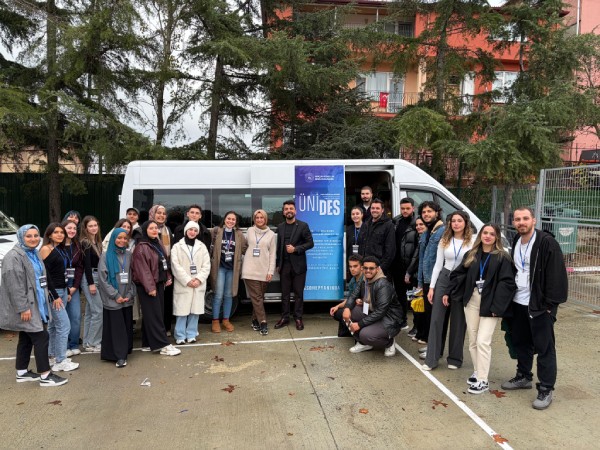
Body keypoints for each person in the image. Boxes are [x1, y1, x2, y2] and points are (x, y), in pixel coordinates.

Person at [501, 207, 568, 410]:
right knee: (522, 342)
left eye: (525, 218)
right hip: (518, 302)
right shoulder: (516, 240)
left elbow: (557, 275)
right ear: (513, 222)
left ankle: (546, 388)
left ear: (534, 220)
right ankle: (523, 376)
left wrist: (549, 305)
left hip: (539, 305)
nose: (521, 222)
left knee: (545, 348)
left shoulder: (547, 242)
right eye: (517, 219)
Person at [444, 223, 517, 394]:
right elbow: (458, 274)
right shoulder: (472, 254)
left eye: (492, 234)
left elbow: (507, 283)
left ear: (496, 237)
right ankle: (478, 372)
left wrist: (497, 306)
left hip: (491, 303)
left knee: (483, 341)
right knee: (473, 340)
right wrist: (451, 292)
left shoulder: (502, 257)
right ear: (480, 235)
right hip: (472, 301)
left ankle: (483, 381)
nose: (488, 236)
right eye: (485, 233)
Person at [0, 225, 68, 386]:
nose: (33, 239)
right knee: (41, 336)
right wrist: (23, 308)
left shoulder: (33, 253)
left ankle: (22, 372)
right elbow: (14, 286)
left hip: (38, 303)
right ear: (21, 237)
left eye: (36, 235)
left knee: (26, 337)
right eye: (28, 236)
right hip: (27, 306)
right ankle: (45, 375)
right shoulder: (13, 257)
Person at [422, 211, 474, 371]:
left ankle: (455, 359)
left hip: (461, 280)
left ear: (465, 223)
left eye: (459, 220)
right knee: (436, 319)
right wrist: (432, 287)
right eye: (453, 221)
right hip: (444, 277)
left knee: (458, 320)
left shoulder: (472, 241)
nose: (456, 223)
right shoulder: (445, 239)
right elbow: (438, 265)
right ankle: (432, 359)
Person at [131, 221, 181, 356]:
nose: (154, 230)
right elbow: (143, 271)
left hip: (158, 283)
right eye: (151, 228)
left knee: (152, 315)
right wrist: (150, 288)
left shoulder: (156, 243)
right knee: (155, 316)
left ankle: (147, 343)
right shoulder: (141, 247)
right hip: (148, 287)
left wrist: (167, 276)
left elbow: (163, 262)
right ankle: (162, 345)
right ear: (144, 230)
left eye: (156, 228)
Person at [342, 256, 403, 357]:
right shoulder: (364, 280)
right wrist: (347, 308)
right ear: (362, 268)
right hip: (373, 312)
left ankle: (389, 342)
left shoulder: (383, 284)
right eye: (365, 268)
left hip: (389, 319)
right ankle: (364, 343)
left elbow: (381, 311)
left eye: (371, 268)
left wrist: (360, 324)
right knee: (349, 312)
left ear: (377, 269)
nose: (368, 271)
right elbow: (353, 295)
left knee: (366, 335)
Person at [40, 223, 79, 372]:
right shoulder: (46, 249)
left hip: (63, 290)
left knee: (54, 326)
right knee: (64, 326)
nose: (60, 235)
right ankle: (60, 360)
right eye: (56, 232)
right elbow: (46, 275)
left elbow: (63, 271)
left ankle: (52, 356)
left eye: (61, 232)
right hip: (54, 292)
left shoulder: (61, 249)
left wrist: (67, 290)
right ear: (49, 234)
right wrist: (54, 296)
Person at [98, 228, 136, 368]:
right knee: (116, 328)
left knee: (126, 326)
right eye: (119, 238)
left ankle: (124, 350)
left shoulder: (129, 254)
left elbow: (133, 276)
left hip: (127, 297)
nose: (122, 240)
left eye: (125, 238)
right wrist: (115, 295)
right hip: (113, 298)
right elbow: (103, 279)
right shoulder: (105, 256)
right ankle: (120, 356)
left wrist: (130, 294)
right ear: (113, 238)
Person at [275, 200, 314, 331]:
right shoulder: (280, 227)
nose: (289, 211)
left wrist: (296, 249)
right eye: (286, 209)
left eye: (291, 208)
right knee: (285, 294)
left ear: (295, 211)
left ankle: (298, 318)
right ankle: (285, 318)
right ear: (283, 212)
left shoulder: (303, 226)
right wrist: (278, 263)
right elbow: (279, 247)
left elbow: (310, 243)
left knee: (298, 294)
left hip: (299, 266)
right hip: (284, 266)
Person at [171, 221, 211, 344]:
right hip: (183, 284)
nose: (192, 232)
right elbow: (175, 265)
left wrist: (198, 279)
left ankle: (191, 334)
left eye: (195, 230)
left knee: (195, 311)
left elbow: (206, 265)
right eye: (190, 230)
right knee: (182, 311)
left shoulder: (202, 246)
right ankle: (180, 335)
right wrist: (187, 280)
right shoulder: (177, 247)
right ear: (186, 231)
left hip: (198, 284)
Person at [210, 211, 248, 333]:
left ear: (236, 222)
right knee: (218, 295)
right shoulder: (216, 231)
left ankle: (226, 320)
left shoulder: (239, 234)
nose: (230, 221)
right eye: (228, 218)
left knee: (229, 295)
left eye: (233, 219)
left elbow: (245, 248)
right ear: (224, 219)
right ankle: (215, 321)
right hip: (219, 268)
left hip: (232, 269)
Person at [242, 209, 277, 336]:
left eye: (261, 217)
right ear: (254, 219)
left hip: (264, 270)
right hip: (249, 269)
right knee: (257, 298)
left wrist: (270, 271)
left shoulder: (271, 234)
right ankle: (263, 322)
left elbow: (272, 254)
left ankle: (254, 320)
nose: (259, 220)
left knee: (258, 298)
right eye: (257, 218)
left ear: (265, 219)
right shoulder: (249, 231)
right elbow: (244, 247)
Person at [416, 201, 445, 345]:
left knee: (436, 315)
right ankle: (429, 342)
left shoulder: (443, 231)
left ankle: (434, 346)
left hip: (438, 280)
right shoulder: (426, 232)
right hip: (427, 280)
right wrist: (420, 283)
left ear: (437, 213)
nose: (426, 214)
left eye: (429, 211)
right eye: (423, 212)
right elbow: (422, 259)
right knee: (428, 313)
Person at [392, 197, 418, 330]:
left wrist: (411, 268)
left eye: (408, 208)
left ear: (413, 208)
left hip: (411, 266)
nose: (405, 211)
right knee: (400, 295)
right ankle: (402, 320)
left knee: (415, 296)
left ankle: (417, 326)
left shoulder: (417, 223)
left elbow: (418, 248)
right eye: (403, 208)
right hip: (397, 266)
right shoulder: (396, 221)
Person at [148, 205, 174, 335]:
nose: (161, 215)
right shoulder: (147, 229)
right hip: (153, 270)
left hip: (167, 269)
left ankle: (166, 328)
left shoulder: (167, 230)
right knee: (155, 302)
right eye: (159, 213)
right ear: (153, 214)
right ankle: (156, 330)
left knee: (167, 300)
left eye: (164, 213)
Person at [60, 219, 84, 357]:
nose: (72, 231)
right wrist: (65, 289)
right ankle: (63, 346)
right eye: (69, 228)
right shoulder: (56, 246)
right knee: (62, 318)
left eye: (74, 228)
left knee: (75, 316)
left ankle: (74, 344)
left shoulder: (77, 246)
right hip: (59, 286)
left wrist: (74, 287)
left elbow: (79, 268)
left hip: (73, 285)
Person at [80, 215, 104, 353]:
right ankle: (93, 342)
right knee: (98, 311)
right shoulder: (86, 243)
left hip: (97, 276)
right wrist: (91, 283)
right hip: (90, 278)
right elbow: (87, 265)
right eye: (90, 226)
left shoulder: (97, 242)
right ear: (85, 228)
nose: (94, 228)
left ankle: (87, 342)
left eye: (95, 225)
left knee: (90, 311)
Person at [359, 199, 396, 277]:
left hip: (379, 269)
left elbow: (390, 251)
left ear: (382, 210)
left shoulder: (388, 225)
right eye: (373, 208)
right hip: (366, 268)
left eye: (377, 208)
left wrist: (381, 268)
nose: (374, 210)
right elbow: (362, 245)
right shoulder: (366, 224)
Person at [330, 255, 364, 337]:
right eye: (350, 266)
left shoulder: (366, 279)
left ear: (362, 267)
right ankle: (349, 330)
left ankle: (358, 333)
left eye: (355, 266)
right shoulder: (352, 280)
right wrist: (337, 306)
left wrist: (362, 301)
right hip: (354, 306)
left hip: (365, 309)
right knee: (336, 312)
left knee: (346, 312)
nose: (352, 269)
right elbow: (349, 299)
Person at [406, 216, 426, 338]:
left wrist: (408, 272)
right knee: (415, 303)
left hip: (422, 278)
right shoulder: (417, 237)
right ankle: (416, 327)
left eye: (421, 224)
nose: (418, 227)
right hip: (415, 277)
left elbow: (416, 258)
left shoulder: (427, 239)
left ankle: (420, 329)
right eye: (417, 225)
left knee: (420, 304)